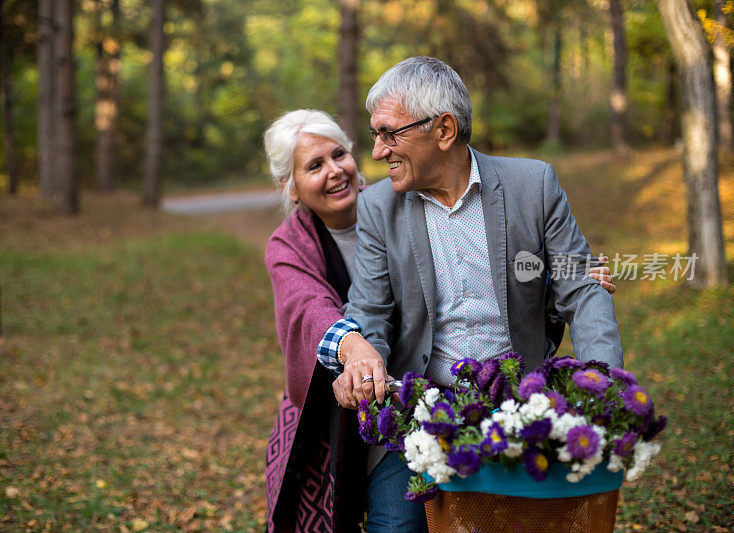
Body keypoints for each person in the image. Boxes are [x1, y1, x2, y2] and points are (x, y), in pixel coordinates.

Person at [262, 109, 616, 532]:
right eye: (315, 166)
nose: (336, 171)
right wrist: (351, 344)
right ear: (290, 187)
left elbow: (487, 284)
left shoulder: (399, 195)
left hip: (419, 382)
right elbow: (309, 307)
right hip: (355, 392)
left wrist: (564, 285)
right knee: (388, 519)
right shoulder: (291, 245)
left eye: (339, 154)